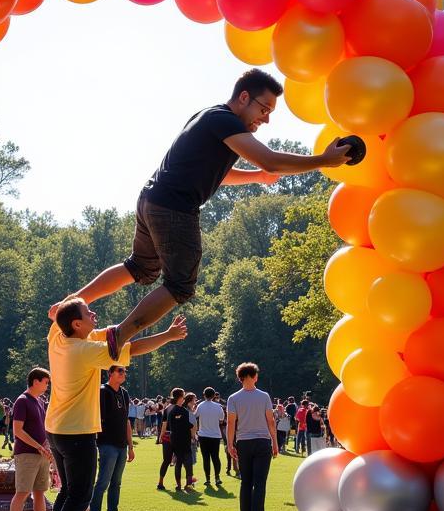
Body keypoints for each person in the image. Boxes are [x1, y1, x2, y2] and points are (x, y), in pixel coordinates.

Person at [49, 69, 353, 360]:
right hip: (174, 208)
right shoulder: (224, 120)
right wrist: (324, 160)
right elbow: (270, 160)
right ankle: (121, 333)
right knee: (180, 285)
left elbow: (218, 173)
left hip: (152, 200)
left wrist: (255, 177)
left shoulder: (212, 119)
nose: (267, 119)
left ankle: (73, 301)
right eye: (265, 109)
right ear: (244, 97)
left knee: (140, 268)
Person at [42, 298, 187, 511]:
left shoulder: (58, 337)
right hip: (77, 431)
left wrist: (61, 309)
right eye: (87, 312)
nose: (93, 313)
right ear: (76, 324)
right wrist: (167, 336)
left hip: (57, 429)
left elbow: (112, 331)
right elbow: (132, 347)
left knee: (67, 492)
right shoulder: (84, 350)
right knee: (81, 494)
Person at [226, 363, 278, 511]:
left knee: (246, 482)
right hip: (262, 442)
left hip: (244, 443)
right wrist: (275, 442)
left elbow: (231, 423)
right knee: (260, 483)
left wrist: (229, 443)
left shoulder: (233, 398)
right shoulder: (264, 396)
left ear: (240, 377)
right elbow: (270, 421)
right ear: (255, 376)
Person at [6, 368, 53, 511]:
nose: (47, 386)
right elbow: (18, 431)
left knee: (40, 492)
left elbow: (43, 428)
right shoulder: (22, 401)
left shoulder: (39, 401)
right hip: (26, 454)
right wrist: (39, 447)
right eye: (45, 382)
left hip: (41, 454)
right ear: (35, 381)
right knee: (22, 492)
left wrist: (47, 447)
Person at [89, 365, 135, 511]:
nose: (123, 374)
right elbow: (96, 417)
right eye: (120, 371)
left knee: (116, 482)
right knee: (103, 482)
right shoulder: (103, 391)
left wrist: (130, 446)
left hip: (122, 445)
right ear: (110, 373)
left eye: (124, 372)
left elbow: (126, 421)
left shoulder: (124, 393)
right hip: (107, 443)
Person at [158, 387, 196, 491]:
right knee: (182, 460)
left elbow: (164, 424)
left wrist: (161, 436)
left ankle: (160, 482)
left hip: (167, 436)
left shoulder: (167, 408)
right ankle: (184, 484)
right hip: (177, 437)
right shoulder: (180, 409)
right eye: (183, 395)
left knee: (166, 460)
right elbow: (188, 425)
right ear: (180, 396)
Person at [195, 386, 225, 487]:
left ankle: (207, 479)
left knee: (206, 458)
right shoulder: (218, 407)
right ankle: (217, 477)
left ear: (204, 395)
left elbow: (195, 416)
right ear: (213, 395)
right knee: (215, 457)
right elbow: (221, 420)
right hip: (215, 435)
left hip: (203, 435)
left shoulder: (200, 406)